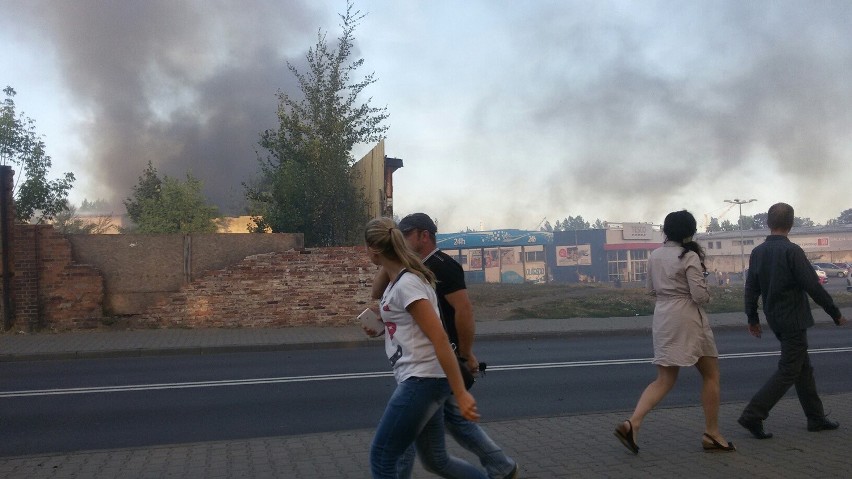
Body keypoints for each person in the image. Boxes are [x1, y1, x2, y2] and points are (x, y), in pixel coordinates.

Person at [372, 213, 519, 479]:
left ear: (423, 235)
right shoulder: (408, 270)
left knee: (392, 451)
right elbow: (385, 301)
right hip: (428, 368)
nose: (401, 240)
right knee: (437, 456)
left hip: (431, 366)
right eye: (398, 236)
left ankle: (502, 466)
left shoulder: (438, 267)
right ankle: (501, 467)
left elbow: (463, 311)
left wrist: (465, 354)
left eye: (406, 235)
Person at [614, 210, 734, 454]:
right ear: (689, 232)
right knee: (711, 375)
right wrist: (708, 293)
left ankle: (633, 423)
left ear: (666, 230)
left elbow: (650, 289)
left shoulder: (654, 255)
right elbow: (699, 295)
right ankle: (712, 433)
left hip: (663, 315)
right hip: (688, 317)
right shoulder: (688, 256)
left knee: (664, 379)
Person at [737, 203, 848, 439]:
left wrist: (752, 317)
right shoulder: (793, 251)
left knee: (802, 369)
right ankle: (753, 414)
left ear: (768, 223)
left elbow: (751, 288)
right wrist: (834, 312)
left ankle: (815, 418)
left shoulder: (758, 252)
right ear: (791, 224)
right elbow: (812, 286)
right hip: (794, 319)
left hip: (774, 317)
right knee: (789, 370)